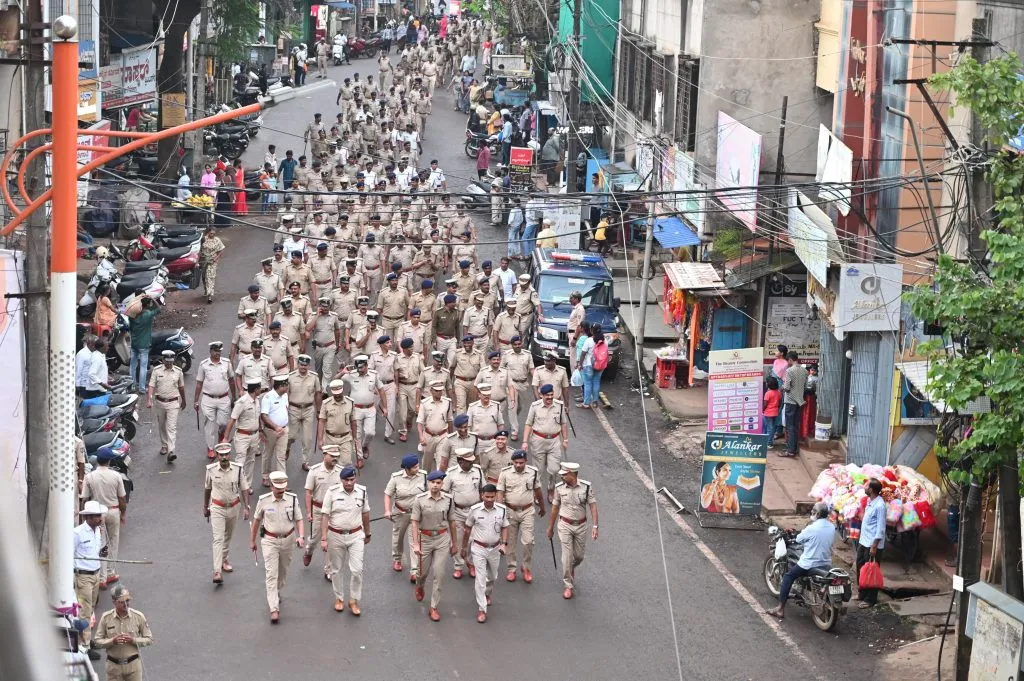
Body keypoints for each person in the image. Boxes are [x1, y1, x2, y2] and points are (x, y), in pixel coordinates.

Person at [250, 470, 305, 623]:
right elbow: (256, 522)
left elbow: (299, 519)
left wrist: (301, 536)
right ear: (271, 487)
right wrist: (252, 541)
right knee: (271, 574)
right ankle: (274, 608)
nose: (280, 491)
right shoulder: (263, 501)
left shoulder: (292, 500)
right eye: (277, 488)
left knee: (283, 572)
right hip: (269, 540)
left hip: (288, 539)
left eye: (283, 488)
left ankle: (277, 590)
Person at [766, 502, 835, 620]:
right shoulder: (832, 527)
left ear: (818, 514)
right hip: (826, 562)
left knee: (788, 576)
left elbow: (798, 539)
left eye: (813, 511)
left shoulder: (812, 528)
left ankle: (780, 609)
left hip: (810, 564)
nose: (812, 513)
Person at [320, 464, 371, 615]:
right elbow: (325, 516)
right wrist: (324, 538)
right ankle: (339, 598)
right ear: (341, 480)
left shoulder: (362, 492)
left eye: (352, 479)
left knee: (357, 570)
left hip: (356, 535)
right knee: (336, 569)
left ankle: (354, 600)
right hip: (335, 535)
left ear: (355, 478)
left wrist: (368, 533)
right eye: (346, 480)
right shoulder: (332, 492)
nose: (349, 483)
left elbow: (366, 513)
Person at [410, 469, 457, 621]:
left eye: (438, 483)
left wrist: (454, 543)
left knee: (439, 573)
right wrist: (416, 544)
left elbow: (452, 522)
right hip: (425, 538)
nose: (435, 486)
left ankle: (434, 606)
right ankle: (420, 585)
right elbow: (415, 522)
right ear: (428, 483)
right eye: (432, 482)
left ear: (442, 484)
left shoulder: (449, 500)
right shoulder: (420, 499)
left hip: (442, 538)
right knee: (422, 573)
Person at [546, 462, 597, 599]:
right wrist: (550, 527)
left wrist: (595, 526)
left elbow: (592, 506)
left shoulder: (586, 487)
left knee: (579, 556)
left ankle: (570, 568)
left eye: (564, 475)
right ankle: (568, 585)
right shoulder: (559, 488)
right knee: (567, 556)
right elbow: (555, 508)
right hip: (565, 525)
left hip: (581, 525)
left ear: (572, 475)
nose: (562, 477)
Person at [461, 483, 509, 623]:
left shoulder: (502, 510)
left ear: (495, 496)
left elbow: (505, 527)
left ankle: (487, 594)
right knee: (480, 579)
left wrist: (504, 544)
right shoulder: (475, 510)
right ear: (482, 496)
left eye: (492, 497)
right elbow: (467, 529)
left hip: (495, 548)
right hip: (478, 548)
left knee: (492, 577)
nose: (489, 499)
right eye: (486, 496)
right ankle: (482, 609)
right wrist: (464, 548)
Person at [204, 442, 250, 583]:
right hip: (217, 507)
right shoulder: (211, 470)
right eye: (221, 455)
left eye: (226, 454)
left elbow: (244, 488)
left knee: (228, 536)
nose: (224, 457)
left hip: (234, 507)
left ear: (230, 455)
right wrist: (205, 506)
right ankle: (217, 571)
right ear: (217, 456)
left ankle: (224, 559)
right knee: (218, 539)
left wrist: (246, 507)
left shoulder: (238, 469)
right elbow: (207, 489)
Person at [497, 449, 545, 583]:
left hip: (527, 511)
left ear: (526, 462)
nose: (519, 465)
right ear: (512, 462)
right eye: (516, 462)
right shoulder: (505, 473)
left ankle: (526, 567)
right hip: (510, 511)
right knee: (510, 542)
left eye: (521, 463)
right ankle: (511, 568)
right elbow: (500, 492)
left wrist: (542, 506)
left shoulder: (533, 472)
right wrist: (500, 511)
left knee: (528, 541)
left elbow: (538, 490)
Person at [82, 448, 127, 588]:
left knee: (101, 544)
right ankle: (110, 572)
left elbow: (85, 498)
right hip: (113, 511)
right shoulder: (116, 476)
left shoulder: (89, 477)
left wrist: (85, 517)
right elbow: (122, 498)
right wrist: (123, 513)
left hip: (97, 514)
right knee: (113, 541)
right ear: (109, 461)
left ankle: (101, 578)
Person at [92, 584, 153, 680]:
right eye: (122, 601)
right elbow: (97, 642)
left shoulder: (138, 616)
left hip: (133, 667)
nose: (126, 604)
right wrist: (112, 641)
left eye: (127, 600)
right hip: (113, 668)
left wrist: (133, 640)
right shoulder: (106, 618)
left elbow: (149, 639)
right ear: (114, 602)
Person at [521, 384, 568, 502]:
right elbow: (528, 424)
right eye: (547, 395)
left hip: (554, 441)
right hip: (538, 441)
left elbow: (563, 423)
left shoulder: (559, 406)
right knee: (538, 469)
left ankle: (551, 489)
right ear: (541, 395)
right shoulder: (535, 406)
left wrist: (565, 440)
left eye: (552, 395)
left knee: (554, 469)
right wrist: (525, 441)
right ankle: (538, 492)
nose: (550, 398)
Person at [385, 454, 428, 579]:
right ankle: (397, 558)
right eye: (414, 467)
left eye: (418, 466)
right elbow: (387, 494)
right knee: (398, 537)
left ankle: (414, 570)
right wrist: (387, 511)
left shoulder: (423, 476)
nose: (417, 469)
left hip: (416, 514)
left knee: (415, 540)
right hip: (400, 512)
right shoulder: (396, 478)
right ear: (407, 469)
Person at [73, 500, 107, 656]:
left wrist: (101, 554)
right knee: (85, 611)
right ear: (89, 517)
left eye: (100, 515)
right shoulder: (78, 533)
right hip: (84, 576)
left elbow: (94, 552)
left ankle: (86, 638)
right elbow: (70, 554)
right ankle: (84, 645)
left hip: (95, 574)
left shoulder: (97, 531)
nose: (100, 518)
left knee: (91, 608)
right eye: (97, 516)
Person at [195, 341, 236, 459]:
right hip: (208, 398)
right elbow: (199, 383)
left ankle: (220, 437)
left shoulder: (226, 363)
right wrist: (196, 401)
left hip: (224, 398)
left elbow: (231, 380)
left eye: (219, 351)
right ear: (210, 351)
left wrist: (234, 397)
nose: (218, 353)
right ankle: (211, 448)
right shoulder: (204, 365)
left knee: (223, 423)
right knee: (209, 423)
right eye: (215, 351)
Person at [146, 350, 186, 462]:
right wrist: (149, 399)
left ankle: (171, 451)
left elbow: (181, 387)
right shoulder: (156, 371)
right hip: (160, 402)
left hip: (173, 402)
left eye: (171, 362)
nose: (169, 364)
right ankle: (164, 445)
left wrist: (184, 400)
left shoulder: (178, 372)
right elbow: (151, 385)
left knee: (171, 427)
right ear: (163, 360)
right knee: (162, 425)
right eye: (167, 361)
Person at [857, 478, 886, 608]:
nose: (865, 487)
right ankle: (861, 594)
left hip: (872, 544)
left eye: (867, 486)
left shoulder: (880, 506)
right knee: (861, 568)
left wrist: (874, 546)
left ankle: (870, 599)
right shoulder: (870, 501)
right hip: (864, 541)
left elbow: (880, 528)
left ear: (872, 490)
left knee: (871, 571)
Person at [260, 375, 291, 477]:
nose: (288, 387)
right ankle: (265, 475)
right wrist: (275, 427)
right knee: (268, 455)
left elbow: (285, 409)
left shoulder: (285, 396)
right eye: (286, 385)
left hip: (284, 429)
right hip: (271, 431)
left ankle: (281, 479)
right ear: (281, 386)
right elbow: (264, 416)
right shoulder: (268, 397)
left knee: (281, 456)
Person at [128, 297, 159, 391]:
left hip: (134, 343)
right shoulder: (148, 314)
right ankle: (142, 388)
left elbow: (130, 328)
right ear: (148, 304)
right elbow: (158, 309)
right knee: (143, 366)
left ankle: (132, 386)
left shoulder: (133, 316)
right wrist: (153, 300)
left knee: (133, 365)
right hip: (144, 344)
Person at [782, 351, 808, 457]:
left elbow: (787, 387)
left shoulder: (789, 371)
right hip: (799, 402)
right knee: (796, 425)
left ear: (790, 360)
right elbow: (805, 386)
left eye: (788, 361)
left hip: (790, 401)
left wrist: (782, 387)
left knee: (790, 426)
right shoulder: (805, 371)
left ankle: (790, 450)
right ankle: (794, 448)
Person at [578, 326, 606, 408]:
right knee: (596, 382)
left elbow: (583, 353)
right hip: (600, 365)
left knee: (587, 383)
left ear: (591, 331)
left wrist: (580, 364)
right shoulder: (605, 341)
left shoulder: (589, 340)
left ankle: (586, 403)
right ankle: (595, 402)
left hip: (588, 365)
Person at [201, 226, 226, 304]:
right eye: (211, 233)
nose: (212, 235)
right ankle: (206, 290)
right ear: (208, 232)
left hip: (213, 261)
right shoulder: (203, 239)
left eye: (214, 234)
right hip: (204, 261)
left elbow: (221, 250)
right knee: (204, 277)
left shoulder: (217, 240)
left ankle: (210, 295)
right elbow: (198, 250)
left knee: (210, 277)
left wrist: (216, 258)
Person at [763, 376, 781, 446]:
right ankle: (769, 441)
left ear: (768, 384)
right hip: (775, 412)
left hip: (768, 413)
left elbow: (765, 404)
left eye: (766, 382)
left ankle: (769, 443)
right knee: (772, 427)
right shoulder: (778, 392)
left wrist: (763, 410)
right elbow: (779, 403)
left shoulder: (768, 393)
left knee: (769, 428)